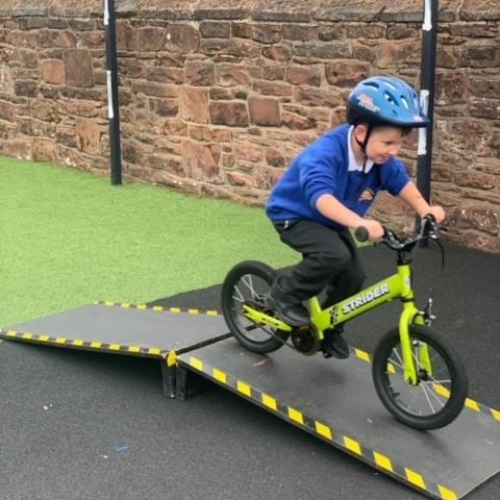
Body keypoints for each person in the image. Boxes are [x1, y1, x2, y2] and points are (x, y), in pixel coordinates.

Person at [265, 75, 446, 360]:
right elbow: (321, 199)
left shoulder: (380, 159)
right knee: (333, 255)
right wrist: (359, 222)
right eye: (388, 142)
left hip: (334, 220)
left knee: (354, 276)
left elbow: (401, 183)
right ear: (361, 132)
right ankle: (284, 295)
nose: (394, 150)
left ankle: (330, 329)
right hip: (296, 215)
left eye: (399, 143)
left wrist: (425, 209)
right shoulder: (325, 153)